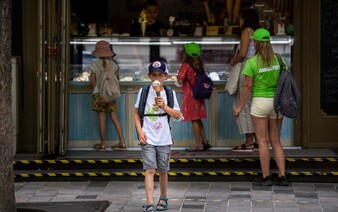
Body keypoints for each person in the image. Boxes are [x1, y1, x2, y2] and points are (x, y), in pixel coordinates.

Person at [233, 28, 288, 186]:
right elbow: (285, 80)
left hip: (260, 104)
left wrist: (240, 107)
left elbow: (247, 87)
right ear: (269, 42)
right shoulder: (279, 59)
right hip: (277, 104)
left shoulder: (252, 62)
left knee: (262, 142)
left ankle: (266, 177)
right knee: (276, 141)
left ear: (255, 42)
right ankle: (282, 176)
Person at [134, 61, 181, 211]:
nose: (157, 78)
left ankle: (163, 196)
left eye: (160, 75)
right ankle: (149, 202)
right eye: (154, 75)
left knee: (163, 170)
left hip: (164, 137)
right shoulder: (144, 91)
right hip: (148, 136)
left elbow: (178, 115)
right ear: (149, 76)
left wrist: (164, 106)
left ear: (165, 76)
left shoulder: (169, 93)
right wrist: (140, 132)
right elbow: (136, 114)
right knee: (149, 169)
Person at [229, 8, 259, 152]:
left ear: (245, 18)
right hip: (256, 69)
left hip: (246, 68)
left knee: (244, 103)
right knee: (252, 103)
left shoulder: (246, 31)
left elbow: (242, 54)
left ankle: (249, 142)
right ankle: (258, 140)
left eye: (240, 17)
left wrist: (233, 61)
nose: (239, 20)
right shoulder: (258, 32)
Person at [90, 40, 127, 151]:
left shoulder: (94, 65)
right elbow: (116, 80)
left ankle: (102, 144)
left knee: (102, 118)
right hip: (111, 95)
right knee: (114, 117)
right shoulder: (113, 65)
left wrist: (97, 91)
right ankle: (122, 142)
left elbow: (92, 81)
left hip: (99, 95)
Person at [177, 42, 212, 152]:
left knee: (194, 120)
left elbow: (180, 80)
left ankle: (198, 144)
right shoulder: (199, 64)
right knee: (198, 119)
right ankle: (204, 141)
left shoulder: (186, 65)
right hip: (199, 95)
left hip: (190, 96)